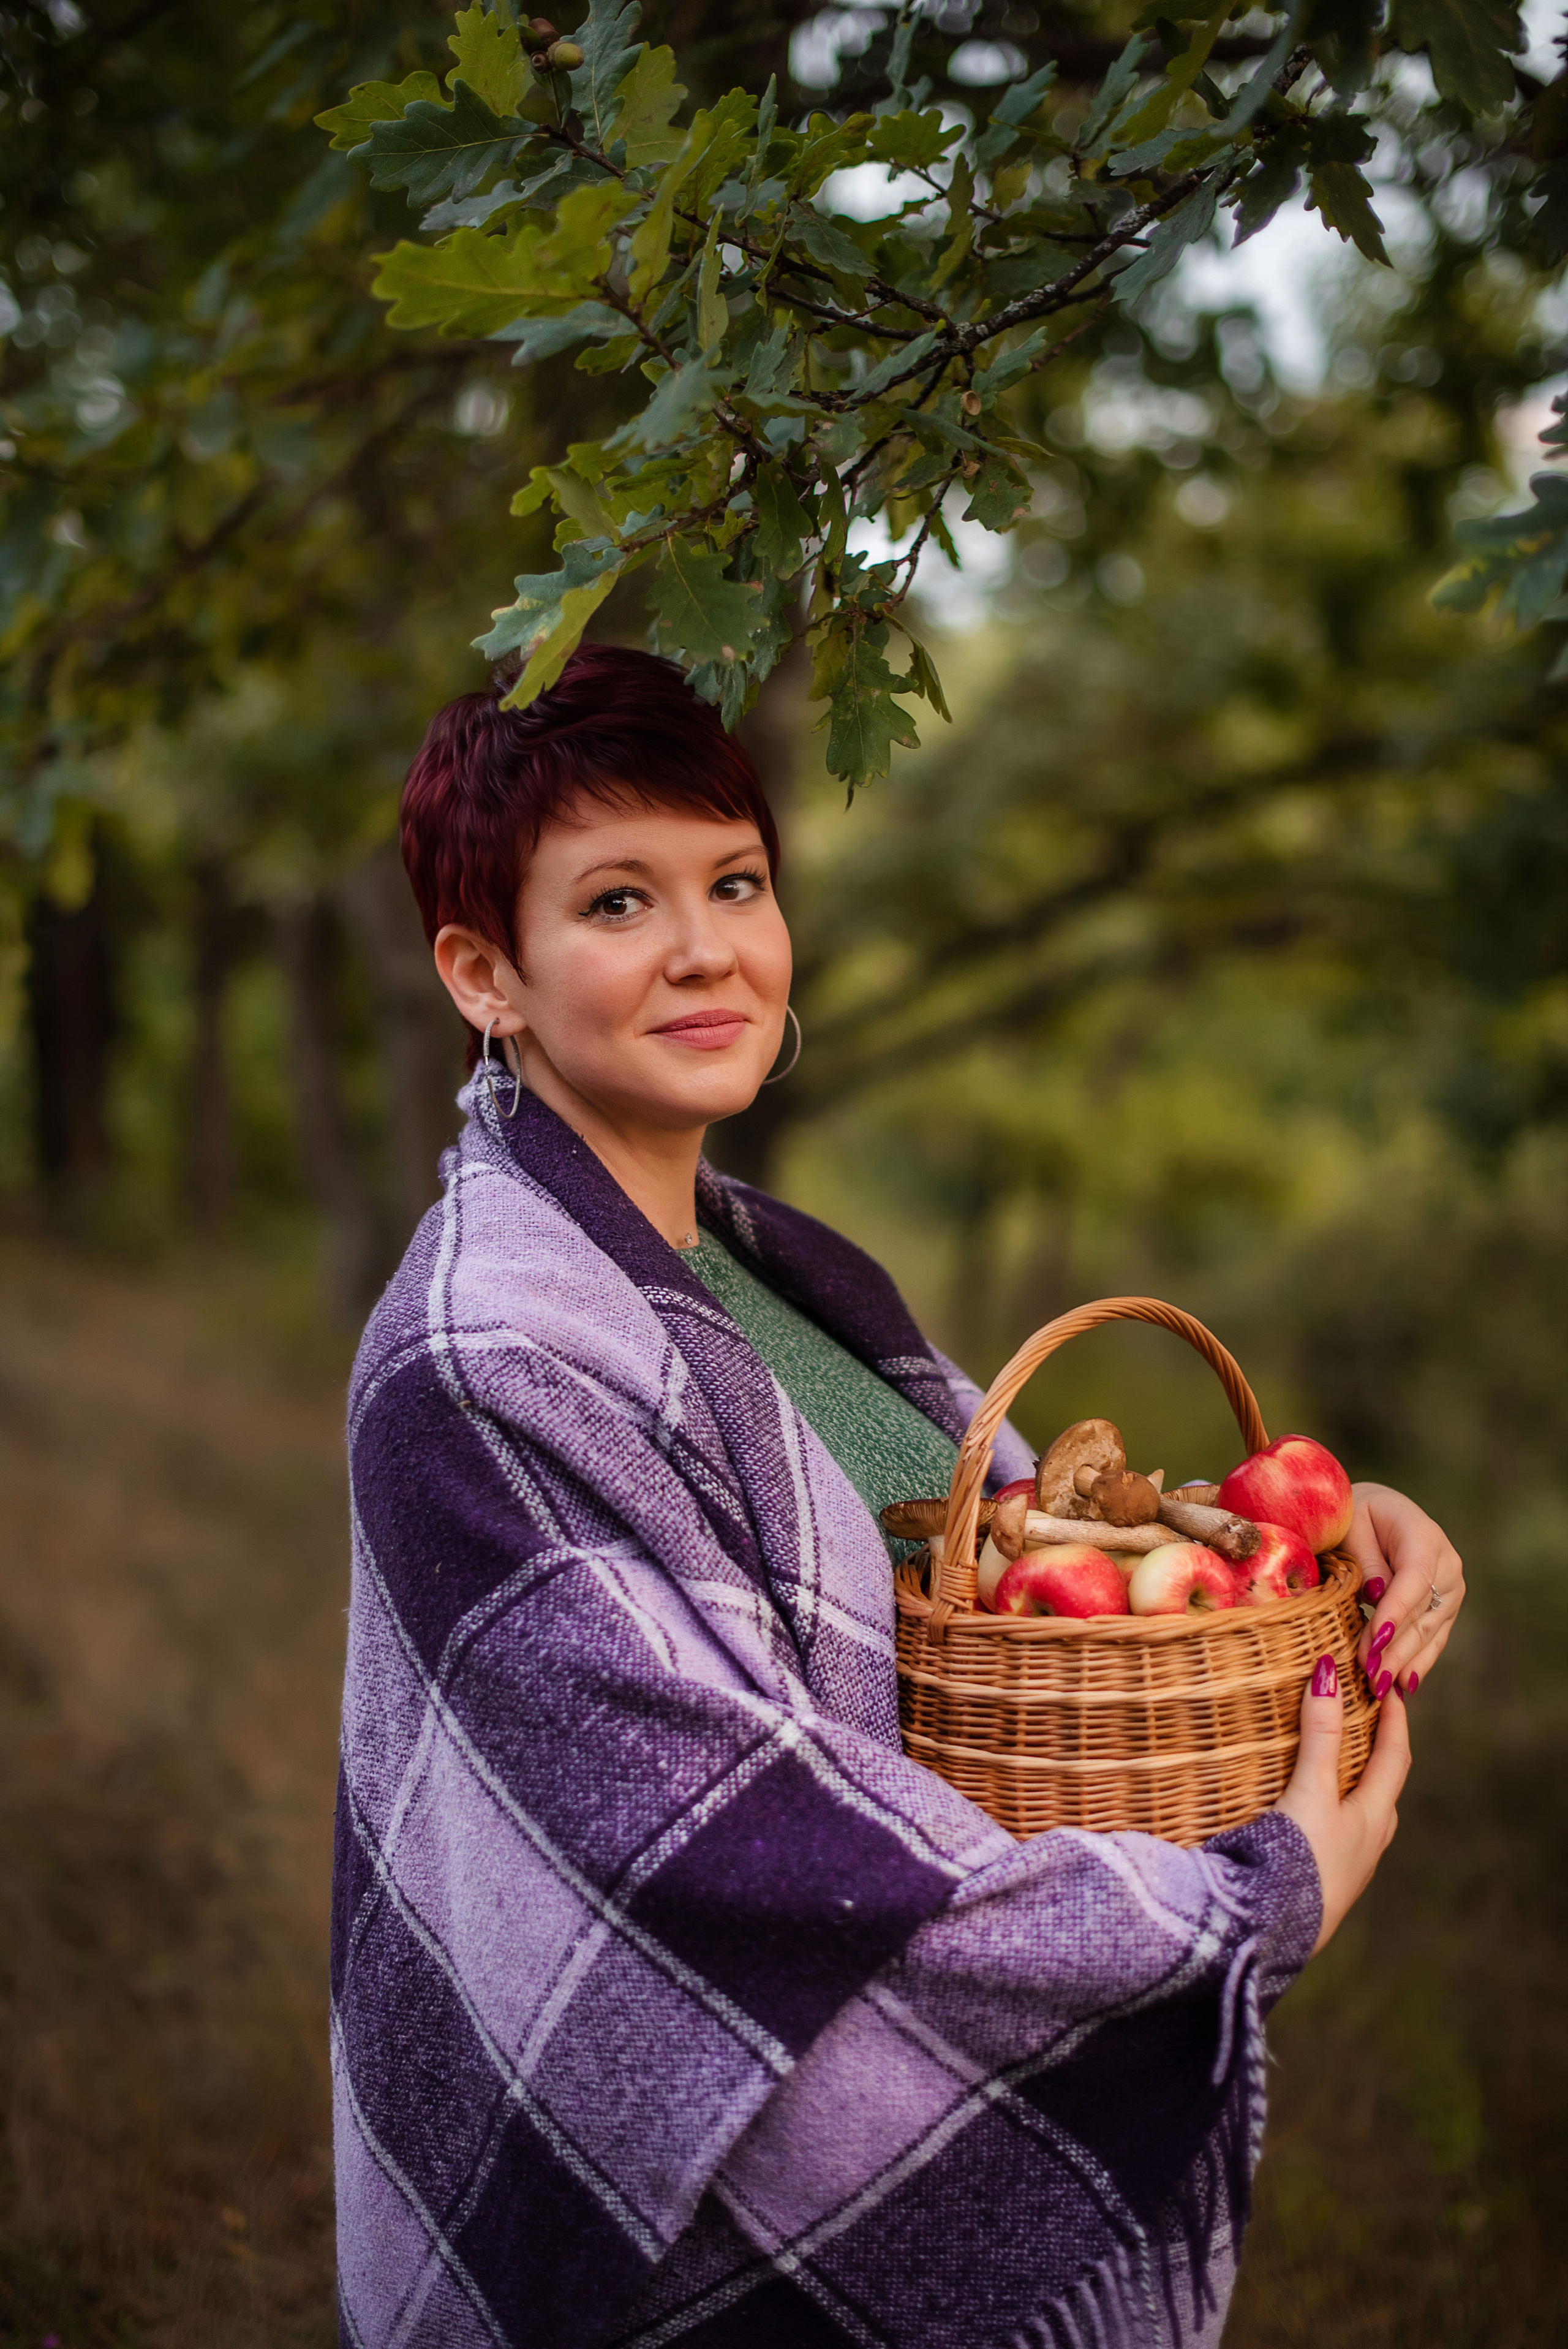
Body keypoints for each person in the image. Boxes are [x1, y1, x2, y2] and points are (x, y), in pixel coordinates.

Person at [331, 645, 1464, 2349]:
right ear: (484, 968)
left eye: (737, 880)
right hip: (686, 2216)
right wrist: (1257, 1892)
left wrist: (1295, 1518)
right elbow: (735, 1838)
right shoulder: (487, 1351)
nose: (711, 944)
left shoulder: (759, 1260)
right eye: (621, 900)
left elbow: (1005, 1555)